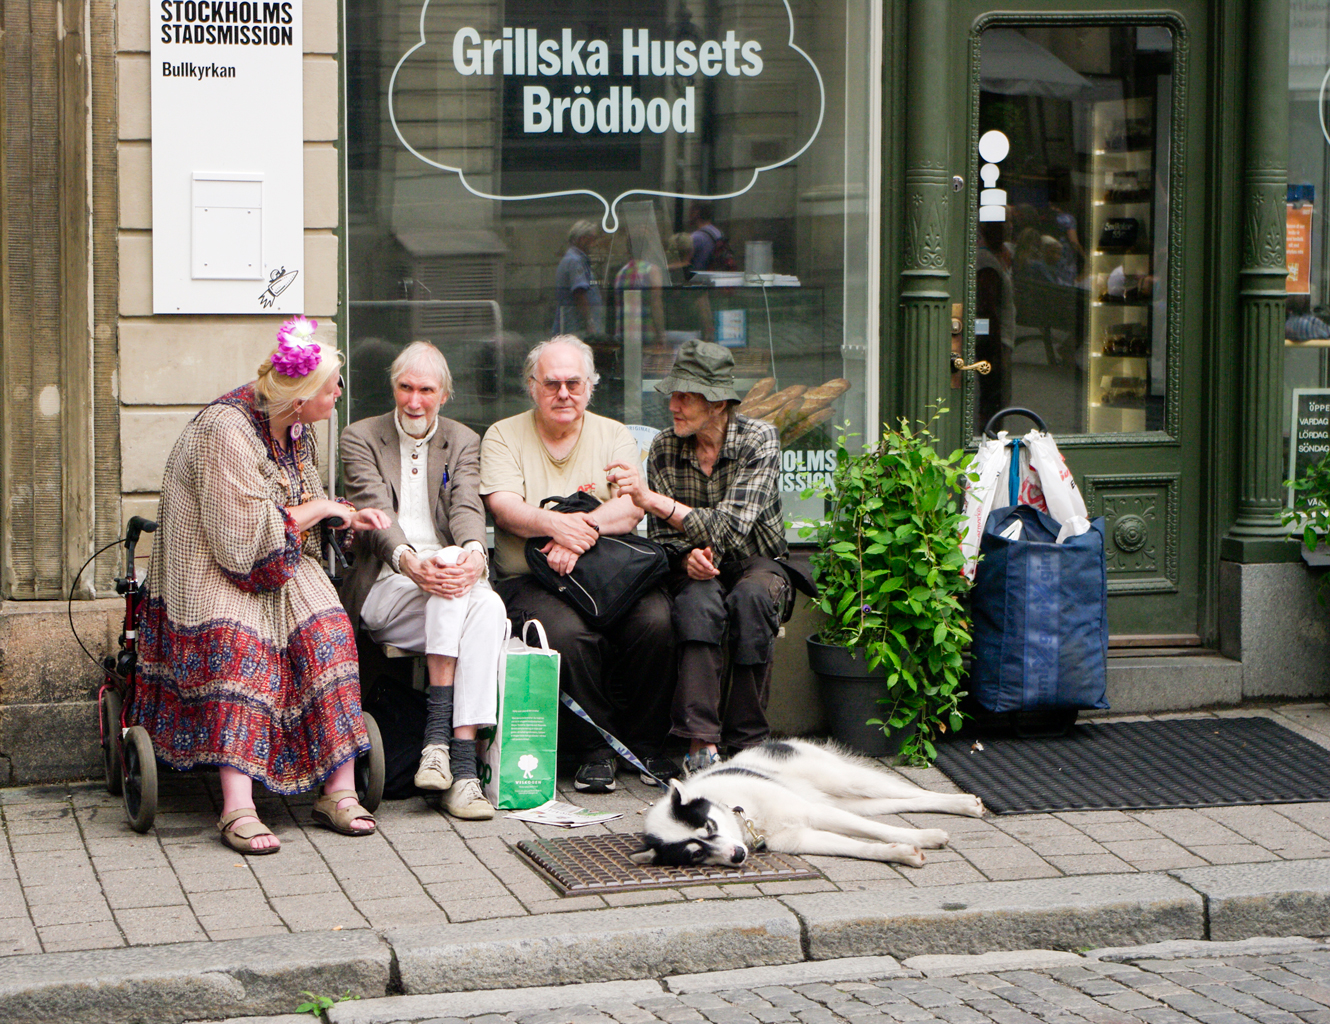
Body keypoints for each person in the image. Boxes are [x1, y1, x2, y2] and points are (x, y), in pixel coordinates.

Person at [131, 317, 392, 855]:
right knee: (240, 643)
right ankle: (237, 807)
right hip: (210, 564)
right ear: (299, 398)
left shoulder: (297, 427)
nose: (339, 392)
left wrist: (345, 517)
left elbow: (305, 507)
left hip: (278, 558)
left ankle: (337, 791)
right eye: (332, 386)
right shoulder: (226, 430)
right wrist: (322, 509)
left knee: (330, 631)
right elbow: (241, 542)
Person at [479, 335, 679, 792]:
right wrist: (559, 526)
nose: (563, 394)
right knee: (567, 633)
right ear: (532, 386)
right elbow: (505, 508)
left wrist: (576, 533)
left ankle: (646, 743)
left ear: (590, 386)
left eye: (574, 383)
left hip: (606, 573)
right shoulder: (503, 435)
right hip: (530, 580)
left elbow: (631, 508)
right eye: (552, 384)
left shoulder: (613, 435)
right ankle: (595, 750)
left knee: (658, 621)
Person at [606, 340, 805, 774]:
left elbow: (732, 531)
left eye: (686, 396)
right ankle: (701, 743)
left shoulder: (759, 439)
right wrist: (685, 559)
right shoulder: (663, 448)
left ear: (717, 403)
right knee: (697, 602)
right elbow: (661, 544)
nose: (673, 405)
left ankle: (749, 744)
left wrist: (655, 501)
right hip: (697, 570)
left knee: (751, 599)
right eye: (673, 394)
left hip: (758, 563)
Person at [339, 341, 507, 820]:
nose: (414, 401)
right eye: (405, 388)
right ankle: (461, 764)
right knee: (465, 597)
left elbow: (468, 507)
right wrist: (411, 562)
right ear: (394, 387)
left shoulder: (463, 440)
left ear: (444, 394)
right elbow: (374, 511)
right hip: (388, 584)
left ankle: (447, 756)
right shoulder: (361, 437)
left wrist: (475, 554)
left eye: (426, 390)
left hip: (445, 585)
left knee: (484, 603)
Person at [553, 220, 604, 339]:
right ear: (583, 239)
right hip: (576, 329)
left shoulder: (575, 259)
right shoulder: (575, 261)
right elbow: (579, 293)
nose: (595, 243)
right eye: (593, 239)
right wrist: (589, 322)